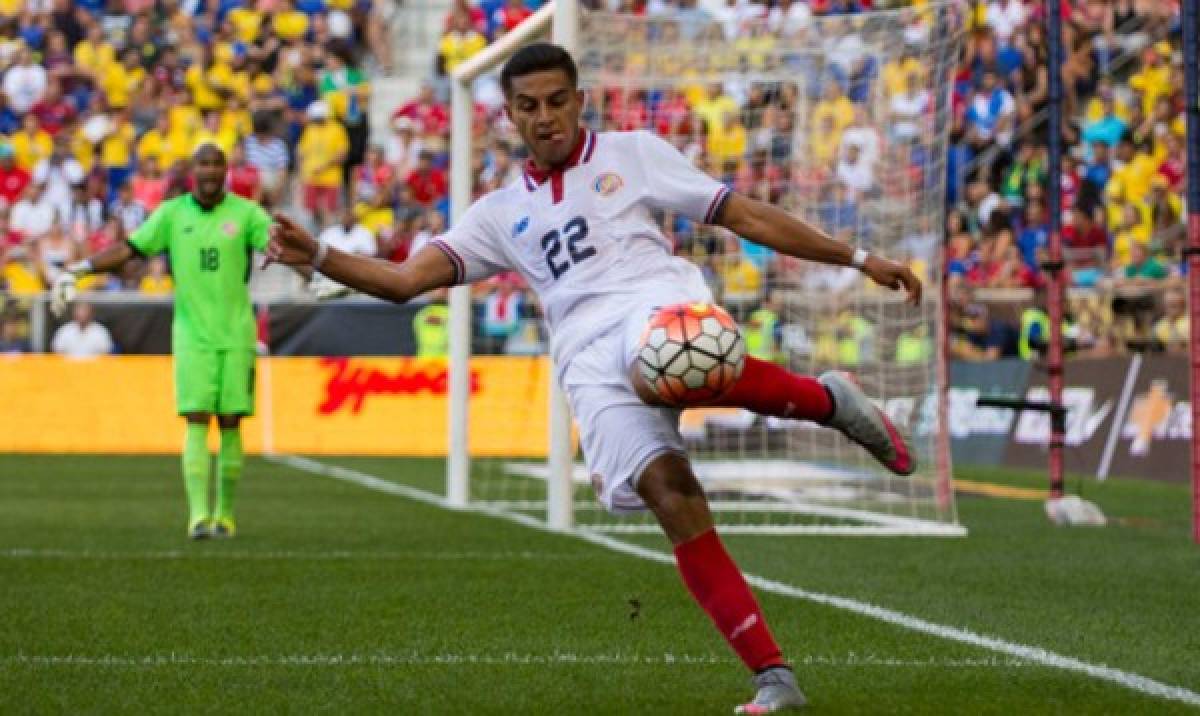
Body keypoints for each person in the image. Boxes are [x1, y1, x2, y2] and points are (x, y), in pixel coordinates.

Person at [265, 44, 921, 714]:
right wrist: (318, 252)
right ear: (510, 116)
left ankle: (826, 402)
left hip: (653, 307)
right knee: (673, 496)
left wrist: (859, 257)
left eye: (557, 101)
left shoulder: (632, 153)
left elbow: (744, 214)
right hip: (585, 360)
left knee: (676, 350)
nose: (546, 117)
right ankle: (774, 677)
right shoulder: (497, 213)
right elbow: (405, 281)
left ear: (579, 101)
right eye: (529, 106)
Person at [51, 143, 272, 541]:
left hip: (237, 334)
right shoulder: (172, 214)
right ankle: (199, 517)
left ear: (226, 171)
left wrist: (319, 270)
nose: (208, 171)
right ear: (192, 172)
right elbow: (129, 250)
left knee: (232, 421)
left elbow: (278, 245)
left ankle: (226, 515)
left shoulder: (246, 213)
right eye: (201, 164)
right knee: (196, 417)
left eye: (215, 164)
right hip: (191, 336)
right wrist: (79, 269)